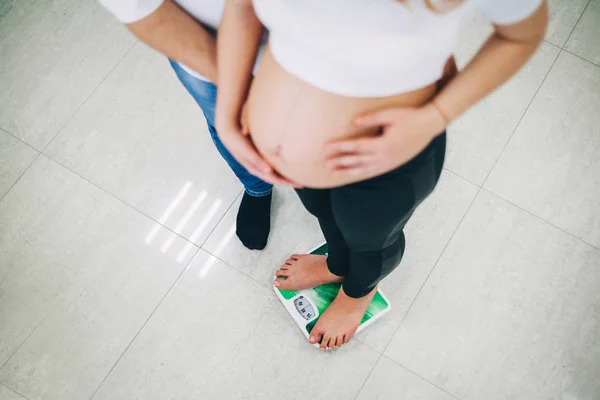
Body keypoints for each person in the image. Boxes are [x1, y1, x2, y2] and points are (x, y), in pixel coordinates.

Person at [216, 0, 548, 350]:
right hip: (290, 166)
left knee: (371, 241)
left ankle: (358, 294)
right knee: (323, 212)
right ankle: (337, 264)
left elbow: (521, 35)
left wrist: (435, 115)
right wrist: (227, 112)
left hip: (388, 160)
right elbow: (242, 7)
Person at [98, 0, 274, 250]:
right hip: (200, 40)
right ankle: (257, 188)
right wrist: (234, 89)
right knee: (230, 126)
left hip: (316, 36)